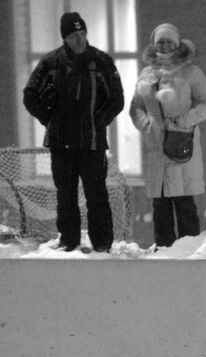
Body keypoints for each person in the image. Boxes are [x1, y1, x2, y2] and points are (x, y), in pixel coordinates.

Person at [23, 12, 124, 252]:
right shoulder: (50, 63)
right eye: (73, 36)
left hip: (92, 143)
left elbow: (116, 99)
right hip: (61, 143)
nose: (79, 40)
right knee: (65, 195)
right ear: (65, 39)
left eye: (82, 34)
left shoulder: (101, 61)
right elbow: (30, 95)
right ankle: (69, 241)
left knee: (96, 195)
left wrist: (98, 121)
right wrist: (50, 120)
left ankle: (102, 244)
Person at [129, 23, 206, 248]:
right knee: (161, 206)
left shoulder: (191, 72)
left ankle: (190, 251)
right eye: (160, 41)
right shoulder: (146, 74)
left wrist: (186, 120)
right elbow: (135, 107)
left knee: (185, 202)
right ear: (154, 44)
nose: (165, 45)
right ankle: (164, 252)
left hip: (182, 145)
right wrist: (146, 124)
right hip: (155, 147)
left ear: (177, 44)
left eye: (169, 41)